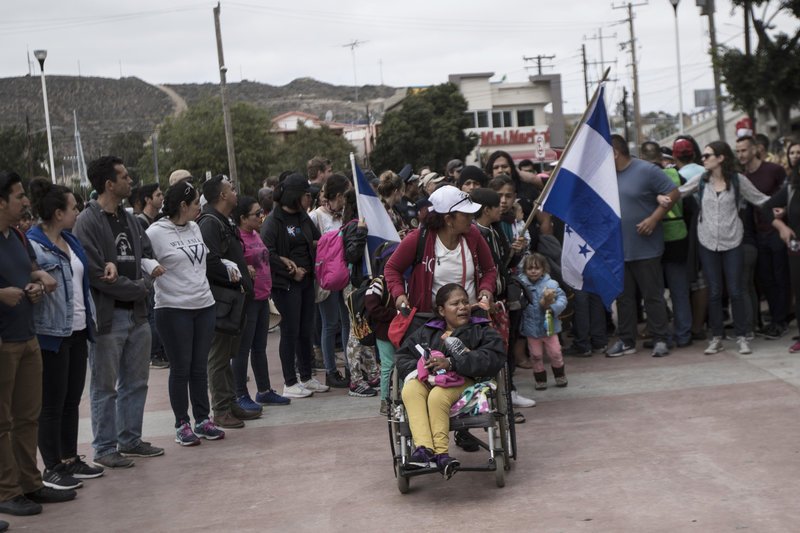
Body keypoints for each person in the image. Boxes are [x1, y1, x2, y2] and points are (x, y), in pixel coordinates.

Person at [73, 156, 165, 469]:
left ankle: (131, 439)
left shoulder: (128, 218)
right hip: (108, 318)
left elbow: (143, 254)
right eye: (124, 177)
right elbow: (97, 274)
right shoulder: (87, 221)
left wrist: (146, 282)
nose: (130, 180)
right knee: (104, 386)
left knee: (136, 381)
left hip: (138, 315)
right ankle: (104, 447)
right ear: (109, 184)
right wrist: (140, 288)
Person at [27, 178, 104, 489]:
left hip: (78, 328)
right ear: (58, 213)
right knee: (52, 402)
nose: (78, 212)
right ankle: (52, 466)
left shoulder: (70, 241)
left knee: (72, 399)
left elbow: (80, 277)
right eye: (74, 207)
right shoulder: (32, 244)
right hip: (51, 333)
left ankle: (70, 458)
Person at [662, 141, 771, 355]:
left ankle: (742, 336)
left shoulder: (738, 181)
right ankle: (716, 337)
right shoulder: (702, 179)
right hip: (707, 242)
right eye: (702, 156)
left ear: (721, 158)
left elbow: (760, 199)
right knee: (714, 291)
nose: (703, 159)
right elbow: (679, 192)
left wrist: (783, 204)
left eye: (707, 155)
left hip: (733, 241)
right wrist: (662, 197)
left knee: (736, 290)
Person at [0, 171, 67, 517]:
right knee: (2, 422)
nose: (26, 201)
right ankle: (6, 491)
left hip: (26, 336)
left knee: (28, 416)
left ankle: (30, 482)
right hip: (3, 343)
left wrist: (36, 282)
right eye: (18, 196)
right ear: (0, 202)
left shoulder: (17, 237)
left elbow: (25, 271)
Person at [394, 284, 506, 478]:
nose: (463, 307)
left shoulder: (480, 330)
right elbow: (402, 358)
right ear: (441, 310)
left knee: (437, 396)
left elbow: (493, 358)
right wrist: (424, 366)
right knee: (409, 390)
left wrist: (453, 362)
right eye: (455, 303)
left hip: (464, 380)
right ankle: (424, 450)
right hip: (428, 380)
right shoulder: (426, 332)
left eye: (465, 302)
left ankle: (441, 453)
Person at [146, 182, 226, 446]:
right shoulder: (156, 232)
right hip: (173, 308)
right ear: (182, 206)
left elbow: (200, 261)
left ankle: (203, 419)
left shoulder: (195, 227)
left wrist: (227, 264)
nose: (199, 209)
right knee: (181, 368)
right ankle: (182, 423)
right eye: (195, 205)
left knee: (198, 366)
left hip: (203, 305)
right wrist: (150, 265)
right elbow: (141, 258)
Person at [197, 175, 263, 428]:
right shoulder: (210, 223)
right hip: (222, 301)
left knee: (227, 354)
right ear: (222, 195)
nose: (236, 192)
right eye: (231, 189)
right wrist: (234, 276)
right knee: (218, 356)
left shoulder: (224, 221)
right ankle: (221, 409)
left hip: (234, 301)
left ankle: (230, 402)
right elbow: (210, 261)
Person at [607, 135, 679, 358]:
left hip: (646, 248)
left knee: (653, 296)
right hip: (619, 250)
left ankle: (660, 338)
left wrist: (654, 218)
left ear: (615, 153)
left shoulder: (646, 170)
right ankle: (627, 340)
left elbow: (673, 192)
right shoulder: (605, 177)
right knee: (624, 299)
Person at [261, 173, 329, 398]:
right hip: (286, 285)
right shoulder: (273, 221)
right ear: (293, 196)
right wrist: (290, 270)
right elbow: (267, 253)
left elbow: (316, 238)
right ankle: (290, 382)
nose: (309, 199)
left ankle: (307, 377)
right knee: (290, 332)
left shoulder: (302, 216)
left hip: (307, 281)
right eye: (305, 195)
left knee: (305, 330)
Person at [231, 196, 291, 408]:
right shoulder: (237, 238)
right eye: (256, 214)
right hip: (248, 300)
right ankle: (240, 394)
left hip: (263, 297)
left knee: (259, 347)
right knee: (242, 349)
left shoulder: (255, 234)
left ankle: (264, 390)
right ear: (242, 218)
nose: (261, 217)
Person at [736, 135, 790, 339]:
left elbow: (789, 194)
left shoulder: (774, 170)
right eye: (738, 151)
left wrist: (783, 211)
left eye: (744, 150)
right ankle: (775, 319)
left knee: (780, 277)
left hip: (778, 230)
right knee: (765, 279)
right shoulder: (741, 177)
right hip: (756, 234)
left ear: (755, 150)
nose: (740, 154)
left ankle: (780, 321)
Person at [309, 175, 351, 389]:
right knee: (330, 323)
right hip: (326, 277)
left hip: (345, 276)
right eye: (344, 195)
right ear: (335, 196)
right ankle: (330, 370)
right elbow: (310, 242)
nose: (345, 200)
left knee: (347, 321)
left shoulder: (344, 215)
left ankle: (350, 366)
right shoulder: (316, 216)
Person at [761, 140, 800, 352]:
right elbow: (766, 208)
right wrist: (782, 228)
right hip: (796, 247)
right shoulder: (791, 188)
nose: (796, 157)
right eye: (792, 153)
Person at [518, 253, 568, 390]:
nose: (533, 271)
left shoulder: (551, 284)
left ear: (543, 269)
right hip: (531, 329)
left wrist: (552, 308)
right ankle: (540, 379)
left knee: (556, 353)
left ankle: (560, 375)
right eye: (530, 268)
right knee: (535, 355)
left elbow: (562, 299)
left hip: (549, 328)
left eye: (537, 268)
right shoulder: (521, 285)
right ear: (525, 270)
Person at [135, 183, 169, 370]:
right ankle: (155, 353)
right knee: (152, 316)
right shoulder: (141, 222)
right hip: (149, 278)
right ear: (148, 199)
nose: (161, 197)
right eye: (158, 194)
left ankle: (161, 351)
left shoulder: (160, 220)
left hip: (160, 276)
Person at [377, 171, 410, 238]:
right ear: (396, 191)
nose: (403, 194)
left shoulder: (394, 210)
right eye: (402, 190)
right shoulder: (381, 210)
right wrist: (395, 236)